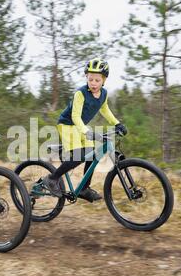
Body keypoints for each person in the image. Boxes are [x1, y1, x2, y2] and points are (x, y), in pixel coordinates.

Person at [42, 58, 127, 202]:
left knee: (93, 155)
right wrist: (87, 132)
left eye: (97, 80)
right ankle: (52, 179)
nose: (93, 83)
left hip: (80, 127)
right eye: (90, 79)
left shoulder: (104, 94)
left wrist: (117, 123)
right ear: (86, 77)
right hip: (67, 125)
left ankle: (83, 188)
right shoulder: (80, 94)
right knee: (79, 155)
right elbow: (75, 116)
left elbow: (105, 110)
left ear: (104, 80)